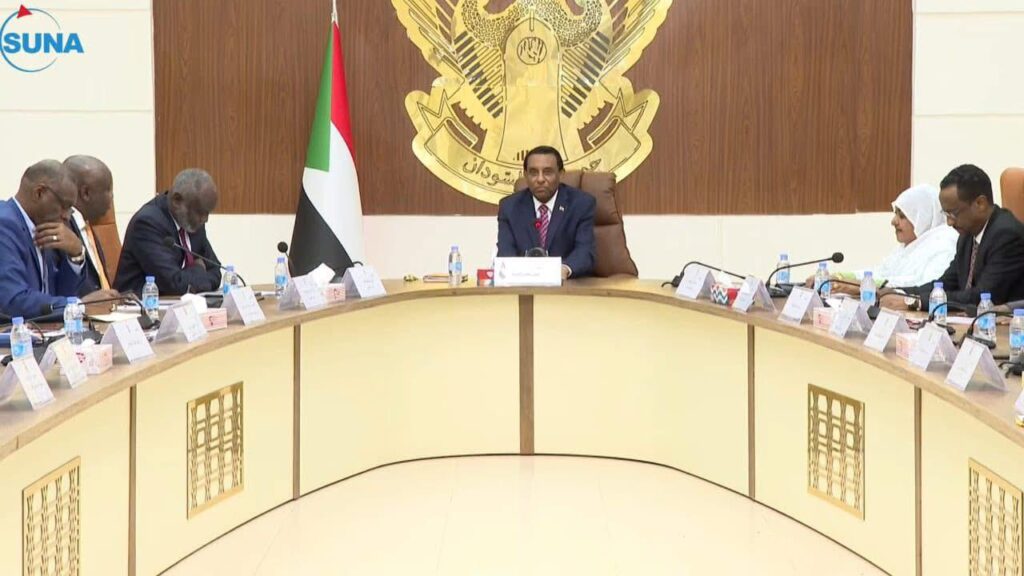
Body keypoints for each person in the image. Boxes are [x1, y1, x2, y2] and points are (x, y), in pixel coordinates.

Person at [0, 160, 119, 318]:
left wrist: (76, 254)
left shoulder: (42, 223)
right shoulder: (5, 225)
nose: (67, 216)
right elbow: (13, 300)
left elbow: (58, 295)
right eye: (64, 206)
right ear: (39, 193)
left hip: (46, 328)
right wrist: (79, 307)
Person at [812, 184, 958, 297]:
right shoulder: (908, 247)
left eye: (902, 216)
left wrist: (856, 285)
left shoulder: (943, 244)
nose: (893, 221)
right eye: (895, 214)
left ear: (924, 218)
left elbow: (921, 286)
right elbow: (879, 274)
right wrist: (839, 278)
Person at [913, 164, 1024, 308]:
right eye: (946, 214)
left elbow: (981, 297)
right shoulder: (967, 235)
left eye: (953, 214)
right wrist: (902, 294)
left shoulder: (1007, 235)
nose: (949, 222)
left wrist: (919, 302)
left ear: (980, 203)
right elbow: (946, 283)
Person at [115, 168, 222, 295]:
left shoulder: (193, 223)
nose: (205, 219)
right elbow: (173, 283)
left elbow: (215, 271)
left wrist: (191, 280)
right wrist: (198, 269)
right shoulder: (147, 223)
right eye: (200, 212)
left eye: (207, 213)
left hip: (177, 302)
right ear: (177, 201)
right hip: (141, 303)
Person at [496, 145, 596, 279]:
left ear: (561, 174)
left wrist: (564, 269)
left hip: (567, 284)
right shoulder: (509, 207)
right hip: (524, 283)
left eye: (547, 172)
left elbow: (585, 251)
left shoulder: (581, 204)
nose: (540, 179)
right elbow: (505, 253)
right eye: (533, 173)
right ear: (525, 175)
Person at [64, 155, 115, 294]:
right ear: (85, 193)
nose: (112, 196)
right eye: (108, 190)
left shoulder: (87, 224)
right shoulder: (64, 229)